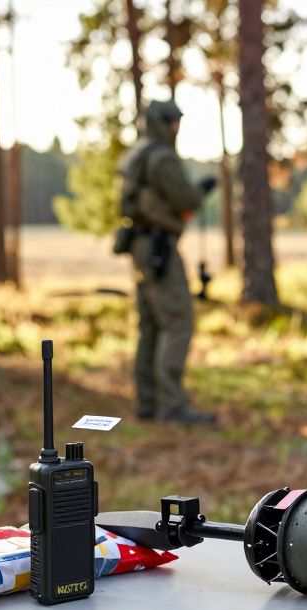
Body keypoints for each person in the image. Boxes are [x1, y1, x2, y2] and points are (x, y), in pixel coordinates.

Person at [117, 100, 217, 425]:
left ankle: (148, 403)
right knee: (177, 321)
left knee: (151, 324)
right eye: (173, 123)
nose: (176, 129)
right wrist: (200, 191)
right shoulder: (160, 158)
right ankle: (172, 407)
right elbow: (185, 199)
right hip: (158, 247)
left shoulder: (138, 153)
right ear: (162, 123)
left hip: (140, 245)